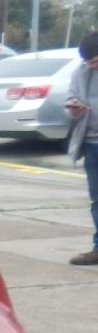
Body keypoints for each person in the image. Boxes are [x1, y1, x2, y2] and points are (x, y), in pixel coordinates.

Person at [66, 32, 98, 266]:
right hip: (91, 143)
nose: (92, 66)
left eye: (96, 60)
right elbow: (71, 98)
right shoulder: (81, 72)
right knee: (97, 199)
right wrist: (73, 108)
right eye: (89, 62)